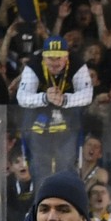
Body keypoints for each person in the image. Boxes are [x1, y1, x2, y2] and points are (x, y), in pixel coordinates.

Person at [16, 37, 92, 179]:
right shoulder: (33, 65)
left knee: (66, 163)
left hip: (68, 121)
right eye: (50, 58)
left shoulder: (77, 64)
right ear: (43, 58)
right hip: (39, 120)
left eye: (59, 58)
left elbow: (88, 95)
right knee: (39, 165)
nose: (55, 62)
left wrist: (65, 99)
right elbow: (21, 97)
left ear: (67, 56)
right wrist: (45, 98)